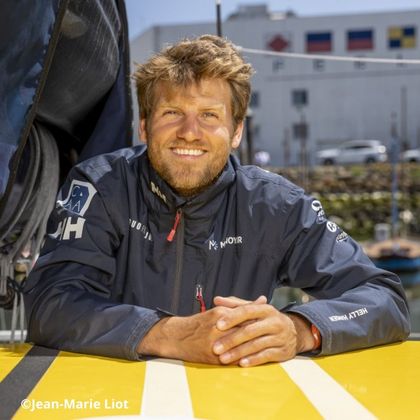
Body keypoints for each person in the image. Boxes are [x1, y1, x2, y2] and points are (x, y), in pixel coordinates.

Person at [24, 35, 410, 366]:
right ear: (144, 126)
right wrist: (170, 334)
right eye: (172, 112)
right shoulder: (100, 185)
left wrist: (300, 329)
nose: (190, 133)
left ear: (236, 131)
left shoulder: (277, 206)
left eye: (209, 115)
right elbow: (50, 305)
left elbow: (385, 300)